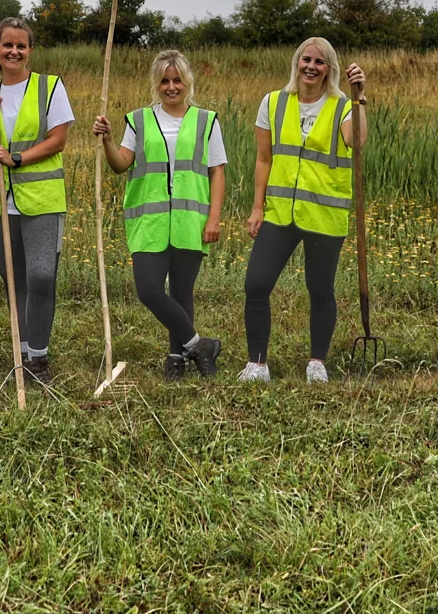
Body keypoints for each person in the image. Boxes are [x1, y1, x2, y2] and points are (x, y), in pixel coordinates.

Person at [93, 49, 228, 379]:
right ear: (156, 83)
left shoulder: (206, 121)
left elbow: (217, 172)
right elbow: (120, 163)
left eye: (177, 80)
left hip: (190, 221)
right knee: (149, 290)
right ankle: (200, 345)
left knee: (182, 292)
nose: (171, 87)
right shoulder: (138, 120)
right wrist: (108, 140)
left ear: (187, 82)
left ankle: (176, 360)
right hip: (149, 222)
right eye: (165, 81)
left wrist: (213, 218)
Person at [239, 37, 366, 383]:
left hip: (325, 216)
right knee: (256, 283)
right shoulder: (274, 102)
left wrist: (360, 97)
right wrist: (256, 208)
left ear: (330, 69)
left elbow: (357, 141)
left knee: (320, 288)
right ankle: (257, 364)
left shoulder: (342, 105)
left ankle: (317, 363)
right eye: (306, 59)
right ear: (297, 62)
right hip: (281, 213)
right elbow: (264, 158)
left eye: (319, 62)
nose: (311, 66)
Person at [0, 17, 74, 383]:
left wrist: (17, 158)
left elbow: (58, 138)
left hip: (40, 199)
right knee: (16, 282)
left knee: (42, 276)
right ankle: (24, 353)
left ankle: (39, 359)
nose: (13, 51)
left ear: (29, 50)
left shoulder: (50, 87)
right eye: (7, 45)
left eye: (21, 46)